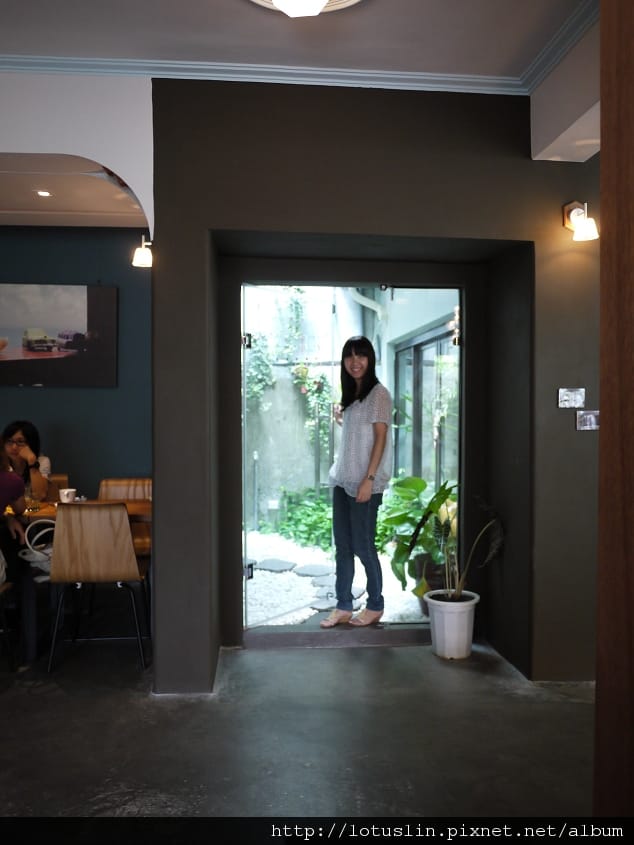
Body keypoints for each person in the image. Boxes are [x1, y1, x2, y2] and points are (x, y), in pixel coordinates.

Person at [321, 335, 393, 629]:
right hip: (343, 480)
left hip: (365, 483)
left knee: (363, 546)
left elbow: (380, 438)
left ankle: (375, 605)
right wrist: (342, 418)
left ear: (370, 359)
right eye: (349, 356)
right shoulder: (352, 395)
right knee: (343, 546)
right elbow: (357, 435)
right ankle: (343, 605)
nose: (355, 362)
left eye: (361, 355)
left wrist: (369, 479)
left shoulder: (379, 394)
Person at [2, 420, 51, 502]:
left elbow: (40, 495)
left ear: (31, 443)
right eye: (9, 441)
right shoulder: (2, 463)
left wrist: (31, 461)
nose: (14, 447)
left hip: (34, 509)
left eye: (20, 441)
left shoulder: (42, 461)